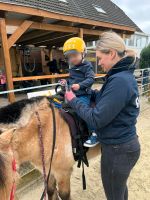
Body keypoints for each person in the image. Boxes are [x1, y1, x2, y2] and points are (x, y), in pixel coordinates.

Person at [65, 32, 141, 200]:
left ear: (112, 54)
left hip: (118, 150)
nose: (99, 63)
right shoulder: (120, 77)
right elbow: (109, 100)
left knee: (114, 195)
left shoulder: (120, 81)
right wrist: (90, 93)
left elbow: (96, 119)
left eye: (100, 58)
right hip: (121, 146)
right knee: (119, 191)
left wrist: (72, 100)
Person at [61, 37, 99, 147]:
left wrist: (80, 85)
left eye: (75, 55)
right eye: (69, 57)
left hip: (83, 94)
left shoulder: (87, 66)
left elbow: (91, 79)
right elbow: (72, 81)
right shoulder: (72, 68)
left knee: (84, 112)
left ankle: (94, 133)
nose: (72, 59)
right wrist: (66, 82)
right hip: (73, 94)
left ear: (83, 53)